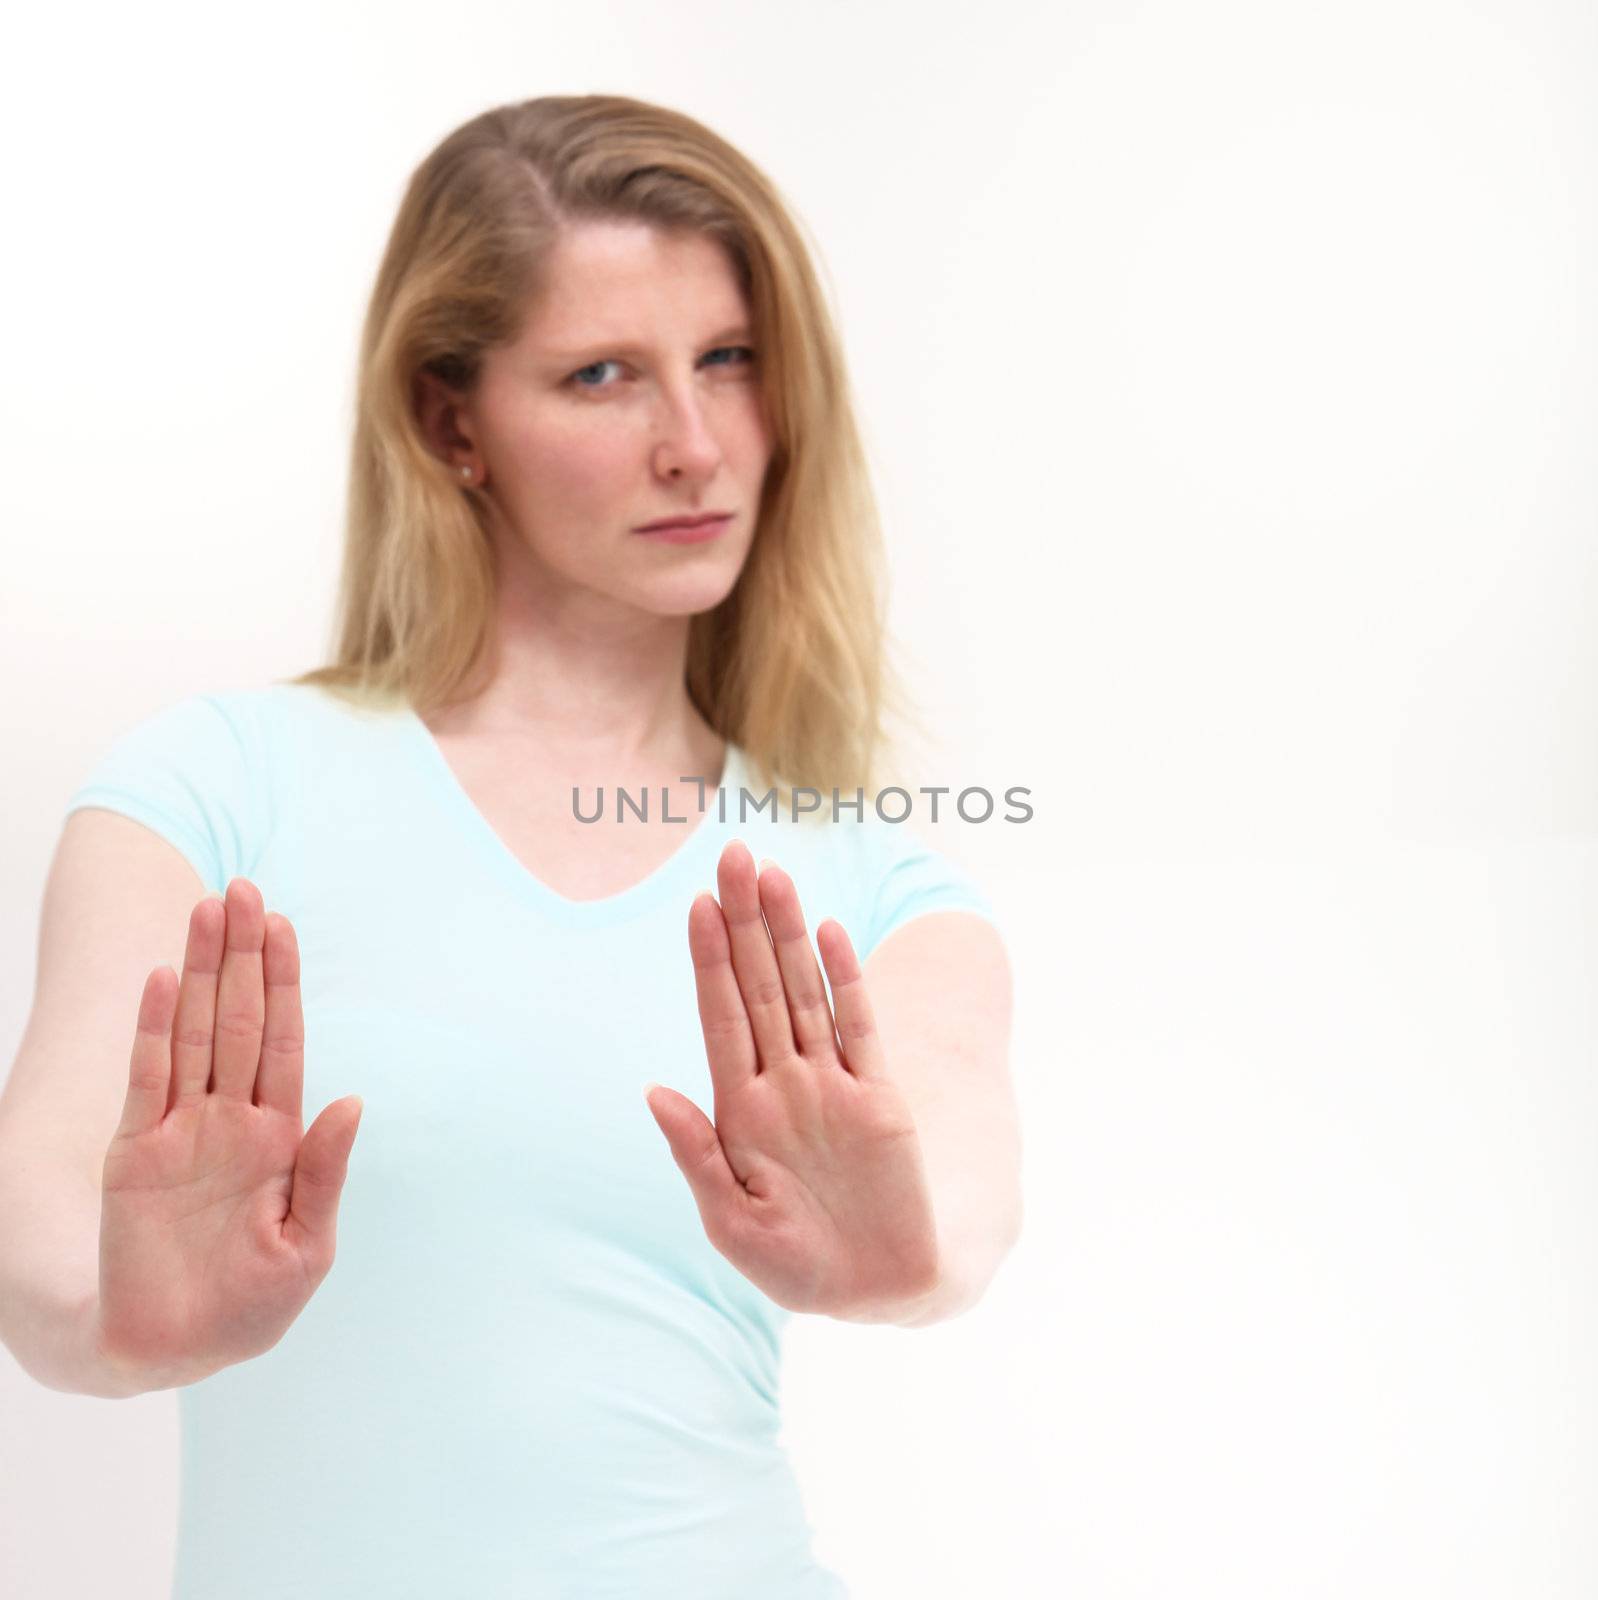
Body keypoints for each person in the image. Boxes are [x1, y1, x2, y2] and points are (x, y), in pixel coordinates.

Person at [0, 94, 1023, 1597]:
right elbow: (43, 1275)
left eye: (728, 360)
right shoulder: (210, 793)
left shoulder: (870, 877)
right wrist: (127, 1325)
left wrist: (896, 1263)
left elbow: (963, 1225)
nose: (693, 444)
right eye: (603, 373)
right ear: (448, 420)